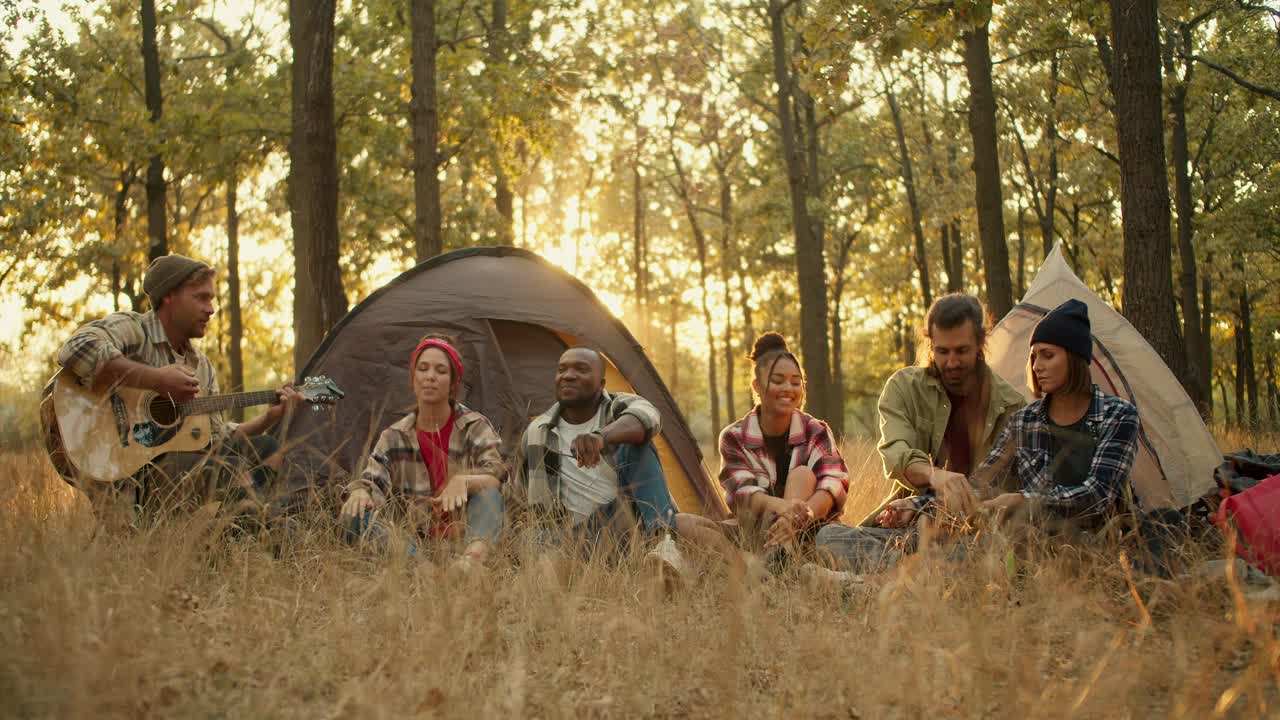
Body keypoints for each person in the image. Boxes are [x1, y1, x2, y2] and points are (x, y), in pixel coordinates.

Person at [817, 299, 1141, 574]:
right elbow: (978, 485)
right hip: (948, 521)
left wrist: (1024, 501)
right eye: (1035, 355)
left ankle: (870, 582)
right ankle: (900, 572)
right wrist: (916, 505)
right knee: (830, 537)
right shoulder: (1027, 420)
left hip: (1044, 541)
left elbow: (1097, 495)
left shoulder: (1116, 415)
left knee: (975, 553)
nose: (1037, 365)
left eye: (1048, 355)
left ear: (1075, 357)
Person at [52, 254, 302, 525]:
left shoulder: (201, 366)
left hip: (181, 469)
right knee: (230, 469)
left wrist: (268, 418)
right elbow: (76, 348)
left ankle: (238, 533)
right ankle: (241, 530)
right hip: (129, 472)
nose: (211, 309)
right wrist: (156, 380)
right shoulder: (135, 329)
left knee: (270, 449)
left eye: (212, 300)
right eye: (201, 298)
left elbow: (214, 438)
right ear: (169, 296)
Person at [815, 293, 1023, 572]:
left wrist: (935, 506)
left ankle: (877, 579)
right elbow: (896, 451)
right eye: (942, 351)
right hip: (903, 526)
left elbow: (1002, 489)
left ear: (981, 343)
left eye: (961, 351)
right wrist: (933, 475)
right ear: (930, 344)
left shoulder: (1010, 404)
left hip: (968, 532)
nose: (951, 362)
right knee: (828, 537)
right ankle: (914, 574)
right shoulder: (904, 387)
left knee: (984, 553)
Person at [675, 332, 848, 574]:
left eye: (796, 382)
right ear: (757, 386)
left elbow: (833, 484)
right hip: (755, 532)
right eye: (778, 381)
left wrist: (798, 516)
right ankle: (753, 566)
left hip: (806, 533)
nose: (788, 388)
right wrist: (781, 507)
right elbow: (743, 494)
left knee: (803, 475)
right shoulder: (734, 436)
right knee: (681, 522)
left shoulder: (816, 430)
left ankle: (783, 558)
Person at [339, 334, 506, 567]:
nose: (430, 377)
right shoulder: (394, 436)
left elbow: (497, 477)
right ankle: (422, 571)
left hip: (463, 537)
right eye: (423, 369)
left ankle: (470, 565)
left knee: (490, 495)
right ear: (413, 379)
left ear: (453, 382)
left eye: (440, 370)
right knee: (353, 513)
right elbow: (372, 482)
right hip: (412, 545)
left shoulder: (474, 425)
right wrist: (360, 492)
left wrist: (464, 481)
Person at [510, 346, 682, 570]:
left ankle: (665, 546)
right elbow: (519, 497)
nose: (568, 375)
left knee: (638, 443)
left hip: (629, 521)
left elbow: (649, 418)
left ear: (601, 384)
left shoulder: (620, 407)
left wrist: (602, 438)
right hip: (571, 539)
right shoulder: (537, 432)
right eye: (562, 369)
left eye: (581, 369)